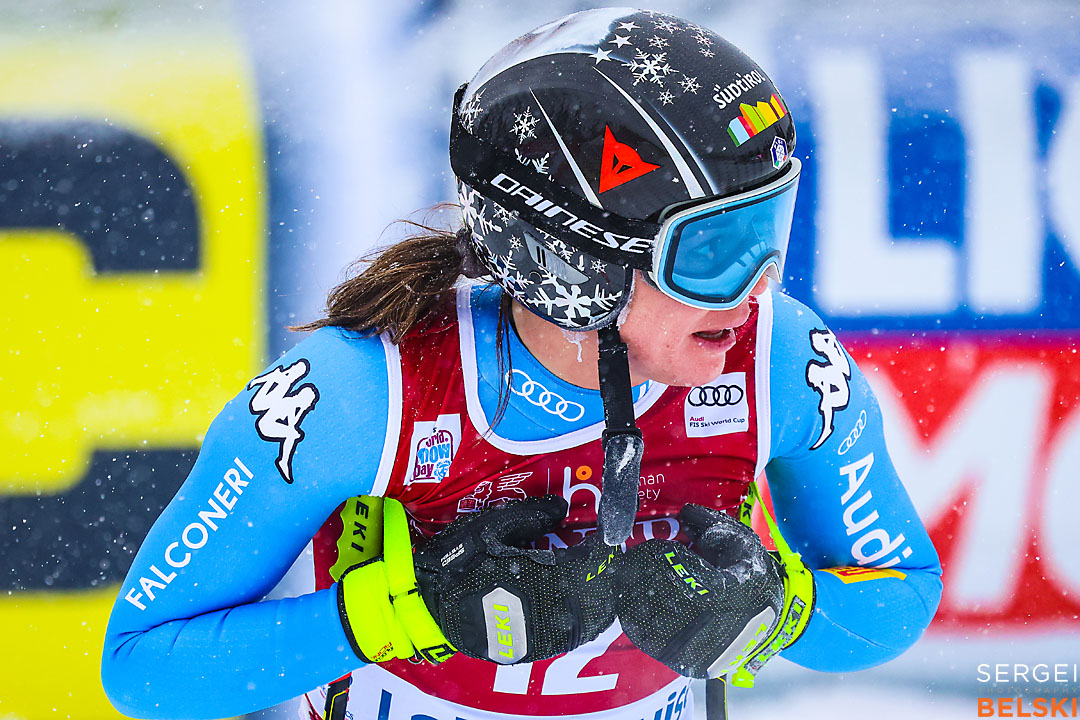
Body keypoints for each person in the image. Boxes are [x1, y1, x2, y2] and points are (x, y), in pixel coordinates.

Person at [101, 9, 942, 720]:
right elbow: (143, 668)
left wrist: (782, 607)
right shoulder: (362, 395)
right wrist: (393, 613)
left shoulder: (781, 364)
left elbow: (902, 592)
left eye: (771, 232)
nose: (756, 290)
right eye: (713, 252)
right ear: (576, 264)